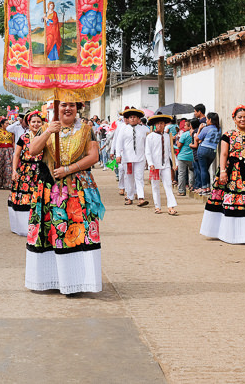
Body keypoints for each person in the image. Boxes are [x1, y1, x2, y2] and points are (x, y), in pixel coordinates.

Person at [26, 100, 105, 295]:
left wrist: (69, 169)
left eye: (71, 105)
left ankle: (78, 280)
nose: (67, 108)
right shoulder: (46, 127)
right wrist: (47, 132)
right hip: (49, 190)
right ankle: (49, 279)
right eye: (63, 105)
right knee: (51, 232)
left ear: (78, 108)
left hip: (77, 189)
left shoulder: (87, 130)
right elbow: (33, 150)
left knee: (76, 232)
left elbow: (94, 156)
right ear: (56, 108)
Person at [200, 105, 245, 244]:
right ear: (234, 119)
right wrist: (222, 171)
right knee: (232, 199)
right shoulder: (228, 135)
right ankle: (231, 234)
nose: (243, 120)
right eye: (240, 117)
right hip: (233, 171)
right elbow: (224, 154)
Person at [8, 111, 48, 236]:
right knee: (23, 197)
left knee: (40, 196)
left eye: (38, 122)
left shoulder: (47, 137)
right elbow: (16, 155)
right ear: (29, 124)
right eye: (33, 122)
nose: (36, 124)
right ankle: (23, 227)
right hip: (25, 171)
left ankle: (39, 226)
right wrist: (14, 170)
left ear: (42, 124)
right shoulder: (23, 137)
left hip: (41, 170)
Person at [115, 108, 150, 207]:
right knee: (129, 178)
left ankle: (141, 198)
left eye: (135, 117)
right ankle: (129, 197)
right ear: (128, 119)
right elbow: (119, 143)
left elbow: (147, 144)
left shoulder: (144, 129)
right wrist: (118, 155)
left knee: (139, 178)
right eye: (131, 117)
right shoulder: (124, 129)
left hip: (140, 158)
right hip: (128, 158)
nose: (133, 119)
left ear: (139, 119)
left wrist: (148, 158)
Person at [145, 114, 178, 215]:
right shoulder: (150, 137)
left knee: (168, 185)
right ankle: (157, 206)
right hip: (155, 166)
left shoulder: (168, 136)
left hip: (166, 165)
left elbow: (170, 151)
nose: (160, 125)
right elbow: (148, 152)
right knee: (155, 186)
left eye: (162, 124)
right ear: (155, 125)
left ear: (164, 125)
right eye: (158, 124)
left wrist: (174, 163)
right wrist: (150, 163)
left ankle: (171, 206)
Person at [195, 112, 221, 195]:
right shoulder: (218, 129)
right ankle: (208, 187)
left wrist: (199, 129)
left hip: (203, 149)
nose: (206, 121)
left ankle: (204, 188)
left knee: (203, 169)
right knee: (205, 169)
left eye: (206, 119)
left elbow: (197, 138)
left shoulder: (206, 128)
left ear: (210, 120)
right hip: (213, 151)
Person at [175, 120, 195, 196]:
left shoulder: (184, 134)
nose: (184, 127)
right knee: (192, 172)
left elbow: (179, 145)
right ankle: (192, 187)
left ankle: (181, 190)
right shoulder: (194, 134)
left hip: (182, 156)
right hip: (191, 156)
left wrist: (177, 143)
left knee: (181, 174)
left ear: (190, 126)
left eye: (185, 126)